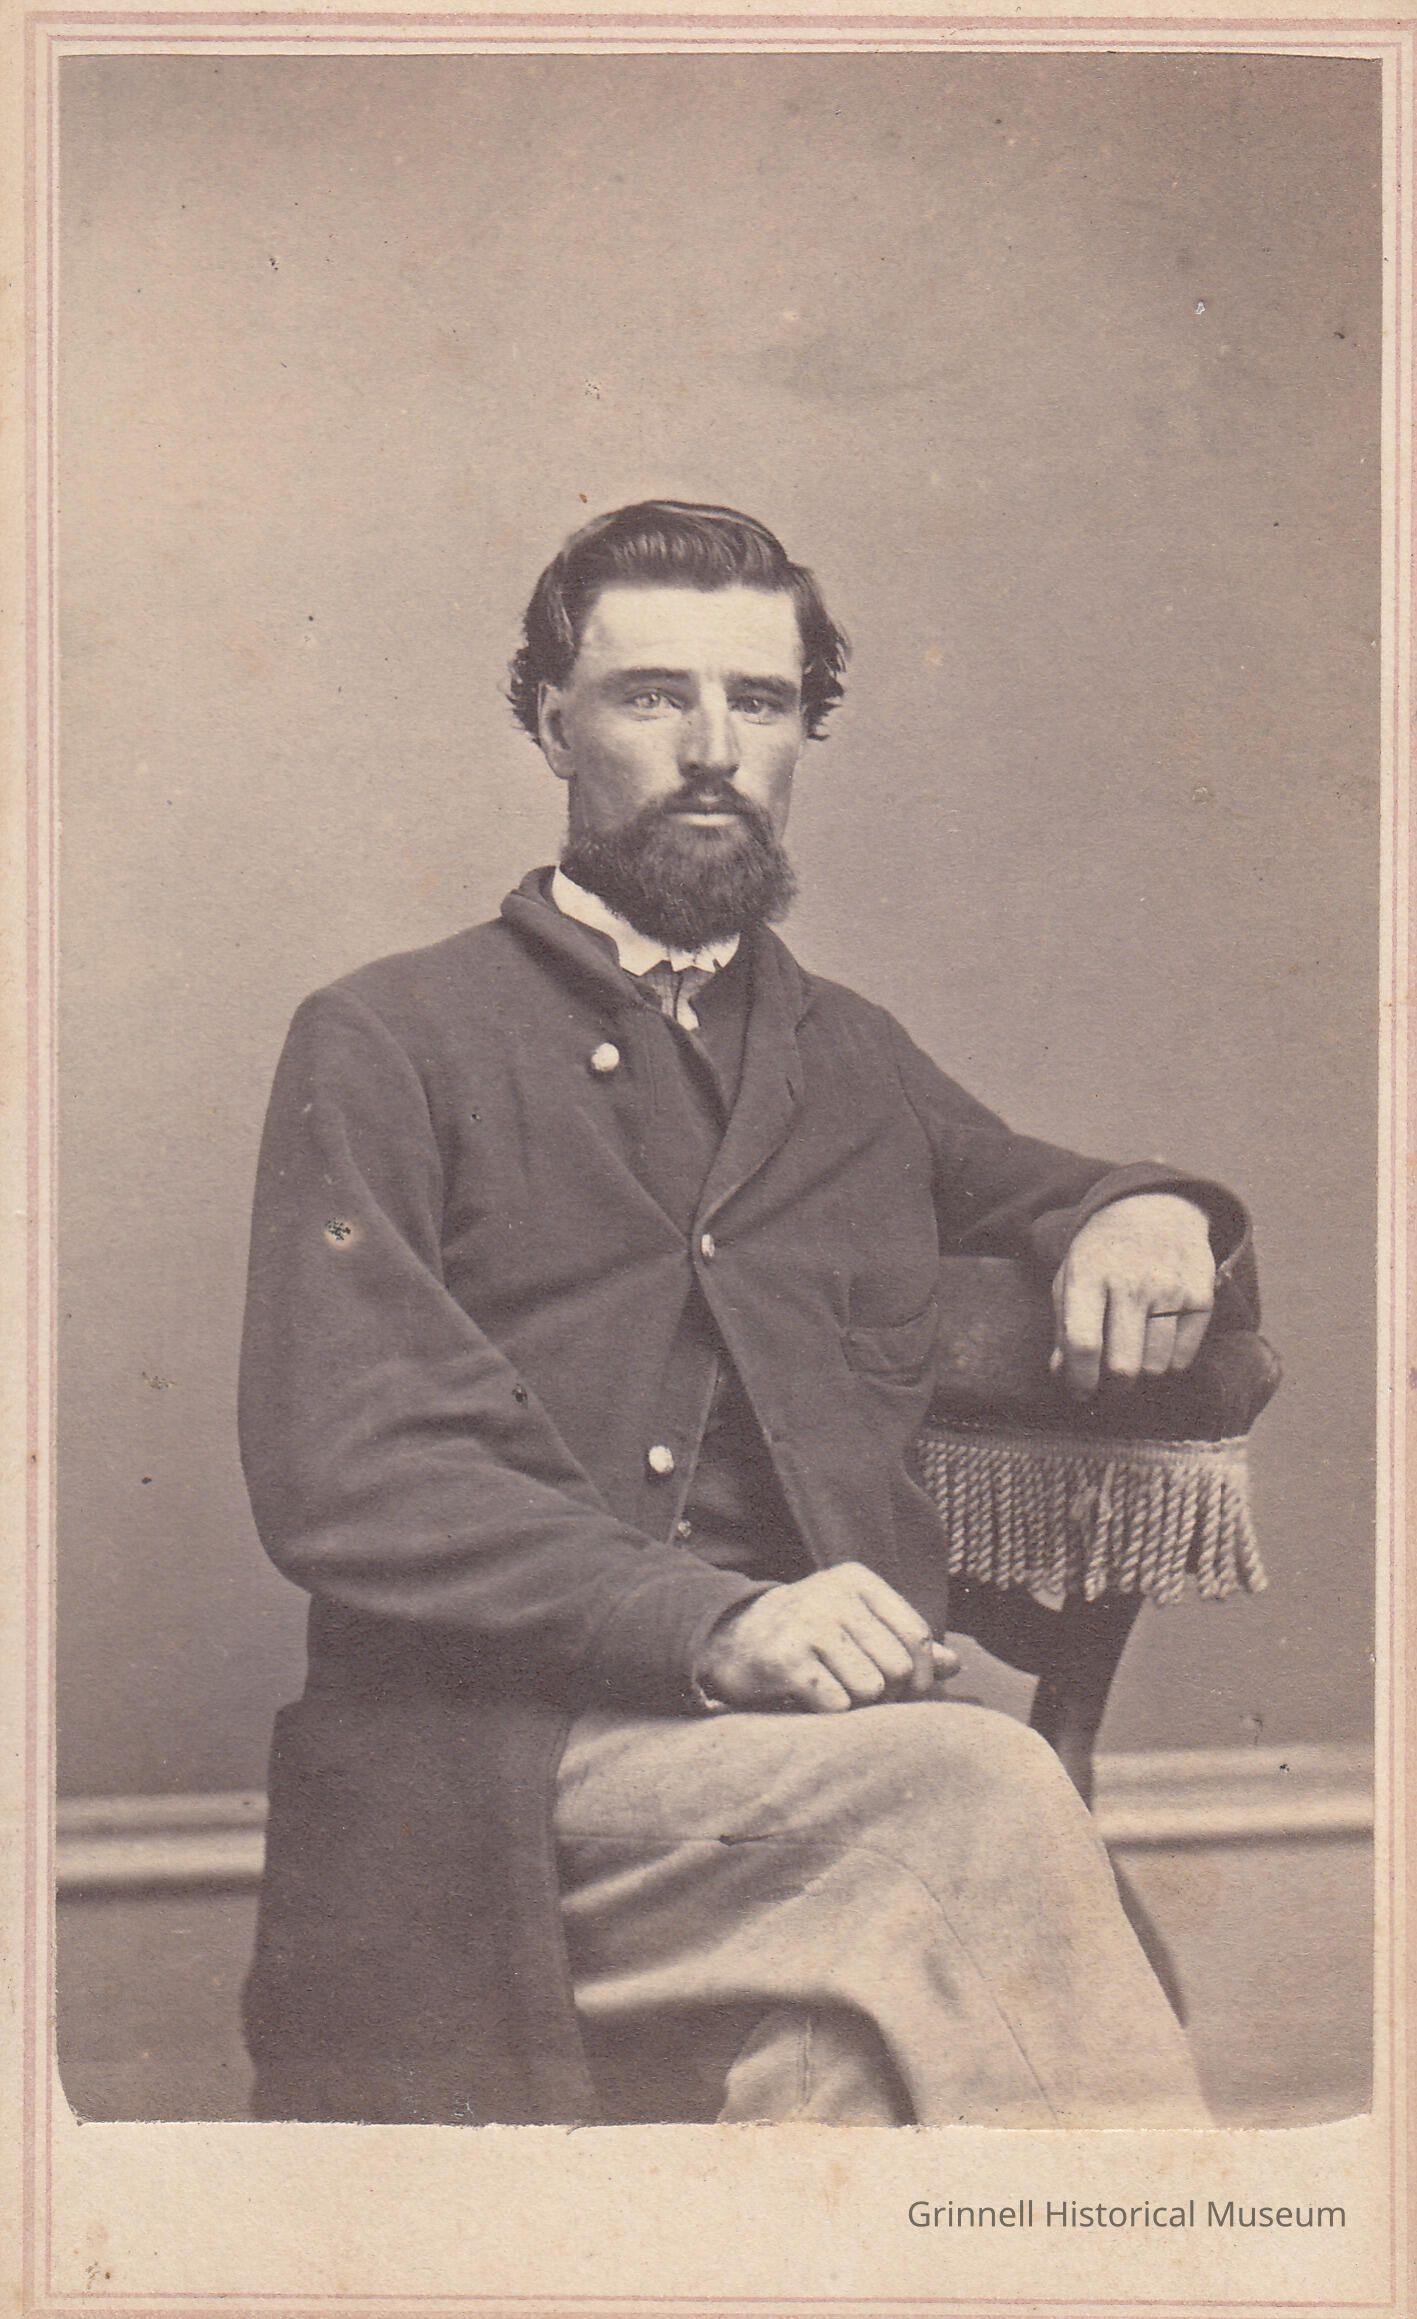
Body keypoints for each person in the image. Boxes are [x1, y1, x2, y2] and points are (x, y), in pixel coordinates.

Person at [239, 499, 1257, 2128]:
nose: (712, 749)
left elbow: (1055, 1197)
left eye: (759, 702)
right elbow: (349, 1470)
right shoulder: (391, 1037)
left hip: (818, 1774)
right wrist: (707, 1621)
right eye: (652, 696)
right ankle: (1166, 2251)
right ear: (550, 723)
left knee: (849, 2072)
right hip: (500, 1784)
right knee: (974, 1797)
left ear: (798, 734)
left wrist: (1148, 1210)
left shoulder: (848, 1057)